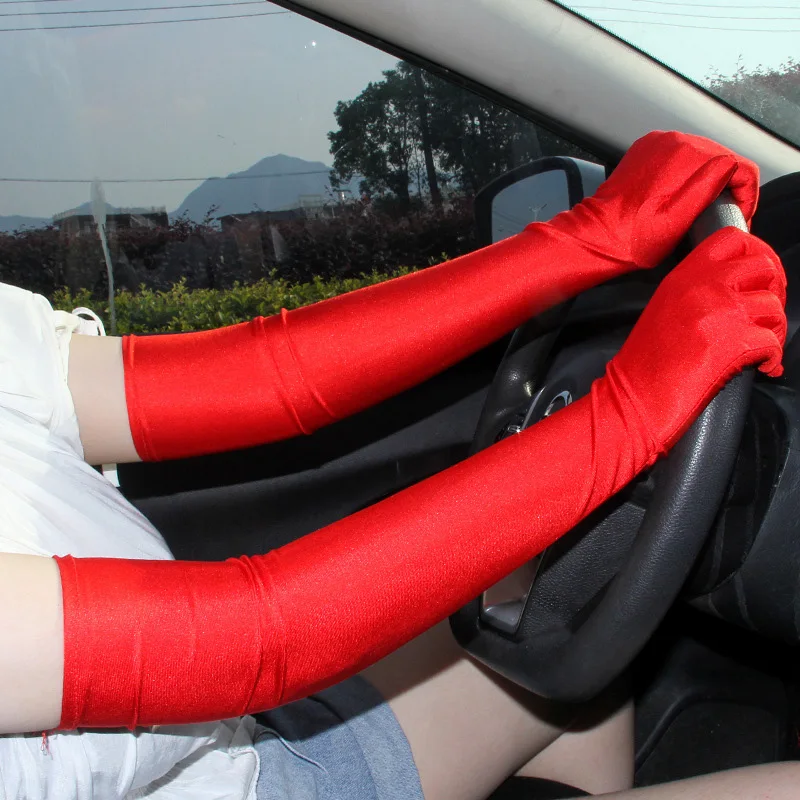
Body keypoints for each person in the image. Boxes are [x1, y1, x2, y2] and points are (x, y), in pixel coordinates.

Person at [0, 130, 796, 800]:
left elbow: (257, 378)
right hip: (229, 752)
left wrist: (587, 238)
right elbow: (249, 640)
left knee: (560, 635)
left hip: (209, 742)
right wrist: (626, 414)